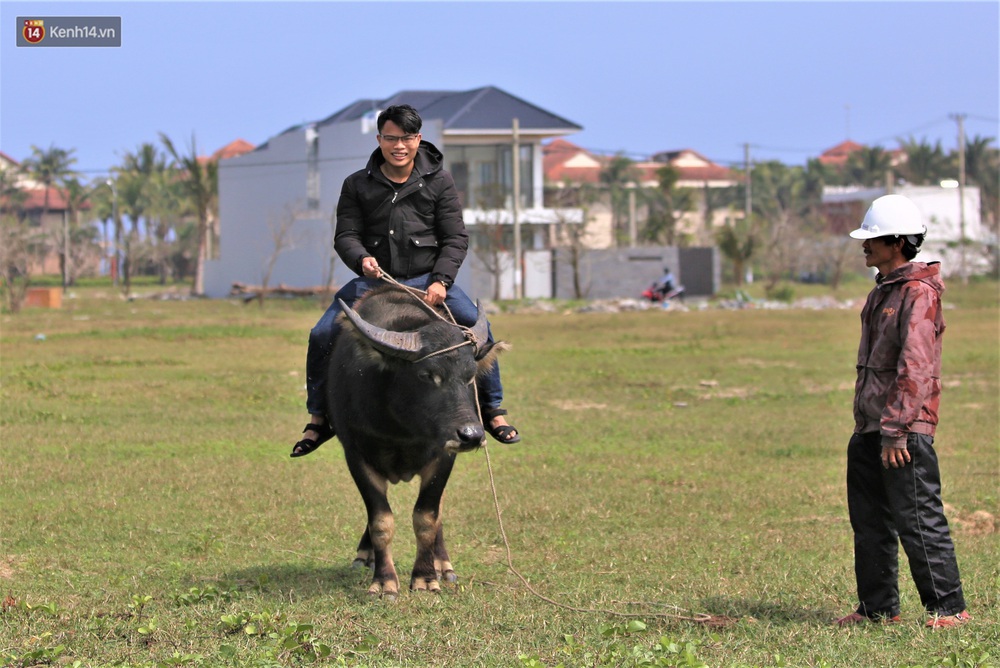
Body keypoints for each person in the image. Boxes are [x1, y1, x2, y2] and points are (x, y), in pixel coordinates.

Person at [290, 104, 520, 457]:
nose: (399, 145)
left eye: (407, 138)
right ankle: (319, 418)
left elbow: (455, 238)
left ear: (418, 139)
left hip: (430, 280)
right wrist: (361, 258)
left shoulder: (440, 181)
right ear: (380, 139)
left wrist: (442, 280)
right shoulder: (357, 184)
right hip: (375, 282)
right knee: (322, 332)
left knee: (478, 332)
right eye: (391, 138)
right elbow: (346, 235)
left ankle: (493, 410)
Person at [835, 194, 969, 629]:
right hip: (871, 426)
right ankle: (878, 609)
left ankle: (949, 610)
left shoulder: (917, 293)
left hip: (903, 431)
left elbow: (916, 365)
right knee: (870, 523)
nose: (864, 246)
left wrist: (896, 430)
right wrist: (873, 426)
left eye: (872, 239)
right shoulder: (883, 292)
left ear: (897, 243)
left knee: (919, 521)